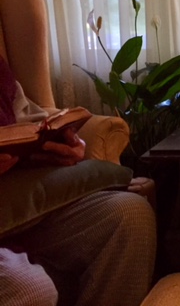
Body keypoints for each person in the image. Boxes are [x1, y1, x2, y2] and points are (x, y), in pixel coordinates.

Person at [0, 56, 156, 306]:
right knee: (30, 291)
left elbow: (28, 125)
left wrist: (63, 144)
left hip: (21, 208)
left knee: (129, 215)